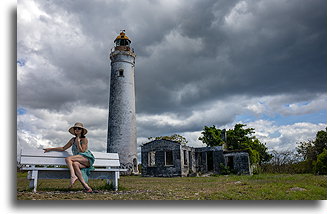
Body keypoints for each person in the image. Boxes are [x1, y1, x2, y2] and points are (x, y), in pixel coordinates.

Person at [43, 122, 95, 193]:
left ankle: (73, 176)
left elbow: (82, 151)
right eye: (75, 128)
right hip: (79, 159)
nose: (77, 129)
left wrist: (78, 142)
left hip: (87, 158)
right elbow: (63, 148)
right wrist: (50, 149)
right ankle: (87, 187)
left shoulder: (84, 139)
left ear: (82, 130)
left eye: (79, 128)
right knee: (75, 164)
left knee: (68, 158)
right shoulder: (72, 140)